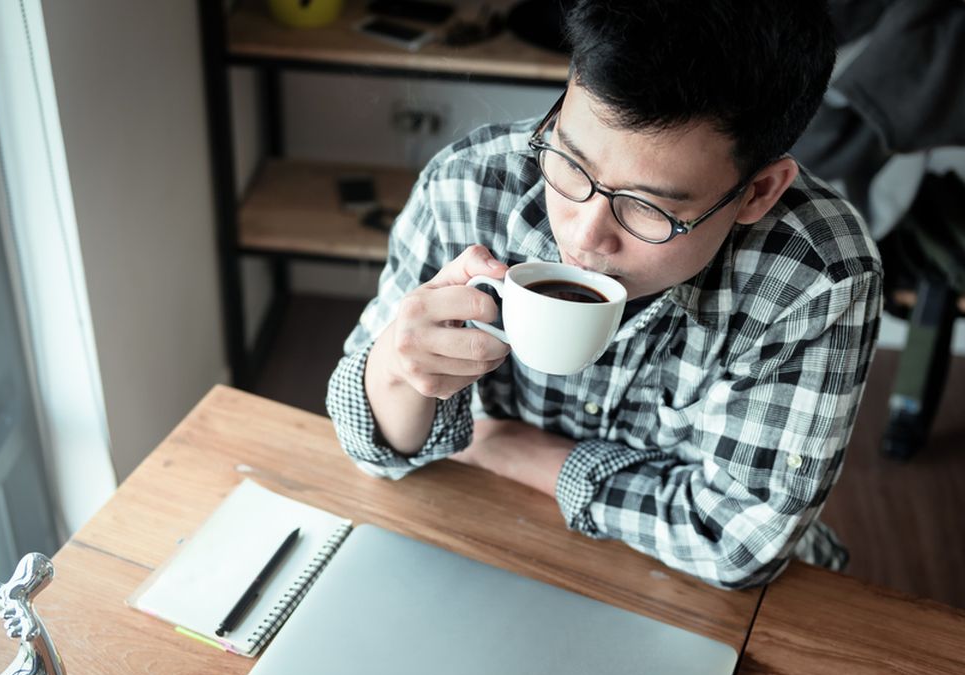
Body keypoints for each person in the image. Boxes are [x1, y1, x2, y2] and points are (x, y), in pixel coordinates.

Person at [325, 0, 883, 589]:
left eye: (648, 207)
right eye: (571, 161)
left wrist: (512, 448)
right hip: (478, 538)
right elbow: (372, 452)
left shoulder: (817, 276)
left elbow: (737, 547)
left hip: (694, 594)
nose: (584, 235)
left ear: (758, 193)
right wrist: (391, 370)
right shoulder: (469, 184)